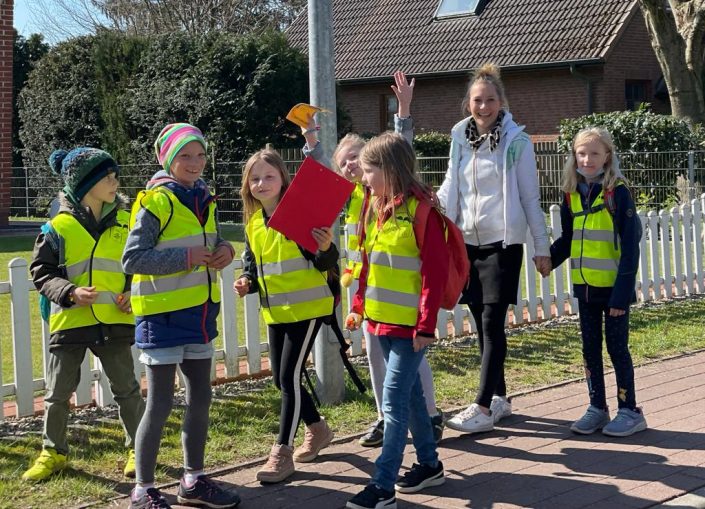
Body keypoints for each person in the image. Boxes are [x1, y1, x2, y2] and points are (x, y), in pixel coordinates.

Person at [301, 71, 444, 448]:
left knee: (413, 358)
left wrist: (404, 111)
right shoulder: (347, 196)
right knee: (376, 356)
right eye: (344, 162)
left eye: (356, 160)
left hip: (399, 293)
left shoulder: (387, 194)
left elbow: (401, 147)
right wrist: (312, 138)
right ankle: (383, 417)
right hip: (366, 292)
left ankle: (430, 414)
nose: (350, 167)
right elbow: (314, 175)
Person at [123, 123, 240, 509]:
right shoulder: (155, 202)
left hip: (199, 314)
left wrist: (226, 251)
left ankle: (193, 480)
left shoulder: (204, 197)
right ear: (167, 159)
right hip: (162, 317)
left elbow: (212, 242)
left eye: (200, 155)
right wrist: (184, 259)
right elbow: (134, 258)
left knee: (202, 397)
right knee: (160, 403)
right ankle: (144, 488)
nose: (194, 163)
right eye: (185, 156)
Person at [24, 147, 145, 483]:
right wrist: (70, 292)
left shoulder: (127, 221)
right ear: (84, 184)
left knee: (127, 389)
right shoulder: (56, 227)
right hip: (70, 322)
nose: (115, 181)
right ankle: (54, 452)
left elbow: (136, 267)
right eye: (107, 176)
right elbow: (41, 272)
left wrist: (132, 293)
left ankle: (140, 448)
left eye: (114, 174)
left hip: (115, 321)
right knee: (57, 394)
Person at [442, 62, 551, 434]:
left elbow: (530, 198)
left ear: (501, 101)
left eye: (490, 100)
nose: (484, 107)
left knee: (492, 323)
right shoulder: (459, 137)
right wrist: (434, 210)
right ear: (467, 103)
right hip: (466, 244)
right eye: (477, 100)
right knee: (480, 323)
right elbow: (450, 187)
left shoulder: (516, 142)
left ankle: (483, 406)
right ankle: (500, 397)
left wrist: (542, 246)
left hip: (502, 245)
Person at [345, 132, 448, 509]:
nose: (362, 176)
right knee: (414, 399)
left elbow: (433, 275)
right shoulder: (374, 207)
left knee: (392, 403)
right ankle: (430, 465)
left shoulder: (422, 212)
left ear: (390, 170)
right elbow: (366, 263)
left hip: (409, 330)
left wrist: (425, 326)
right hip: (379, 321)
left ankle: (382, 485)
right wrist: (359, 305)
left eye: (369, 169)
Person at [234, 148, 338, 484]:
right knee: (281, 379)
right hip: (276, 313)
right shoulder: (253, 224)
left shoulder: (298, 216)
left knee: (290, 376)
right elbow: (253, 264)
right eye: (255, 178)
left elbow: (327, 262)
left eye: (269, 176)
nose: (261, 183)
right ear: (247, 185)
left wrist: (325, 248)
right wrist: (247, 281)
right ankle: (318, 429)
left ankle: (282, 452)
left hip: (308, 309)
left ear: (283, 180)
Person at [549, 126, 646, 437]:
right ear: (574, 156)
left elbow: (630, 249)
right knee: (590, 349)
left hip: (614, 290)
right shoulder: (570, 194)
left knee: (618, 350)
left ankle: (629, 410)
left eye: (594, 153)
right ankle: (597, 408)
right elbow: (567, 239)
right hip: (585, 289)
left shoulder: (617, 193)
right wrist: (547, 260)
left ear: (607, 157)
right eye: (581, 153)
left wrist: (622, 295)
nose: (587, 159)